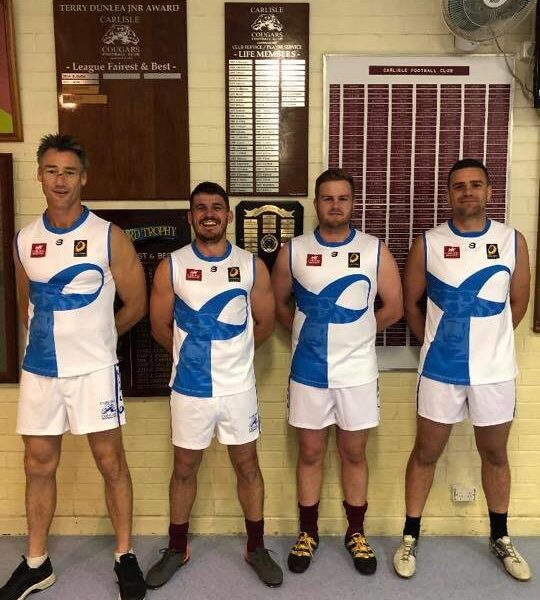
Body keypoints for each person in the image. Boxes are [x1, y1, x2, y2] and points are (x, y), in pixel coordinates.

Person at [0, 134, 147, 600]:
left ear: (83, 177)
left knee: (111, 462)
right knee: (37, 464)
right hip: (41, 372)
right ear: (39, 175)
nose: (60, 180)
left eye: (69, 172)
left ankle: (124, 556)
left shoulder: (108, 235)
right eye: (51, 171)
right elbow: (28, 305)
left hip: (94, 372)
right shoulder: (25, 240)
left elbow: (137, 304)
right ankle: (36, 563)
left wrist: (98, 340)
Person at [393, 158, 531, 581]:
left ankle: (500, 536)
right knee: (425, 453)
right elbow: (411, 304)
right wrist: (437, 343)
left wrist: (490, 343)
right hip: (440, 371)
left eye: (475, 184)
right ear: (449, 194)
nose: (467, 191)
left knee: (495, 454)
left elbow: (518, 303)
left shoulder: (512, 241)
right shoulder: (429, 243)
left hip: (494, 373)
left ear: (489, 191)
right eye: (459, 186)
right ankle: (410, 536)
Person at [145, 181, 282, 589]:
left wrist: (233, 356)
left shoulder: (251, 265)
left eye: (217, 207)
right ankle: (177, 548)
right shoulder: (172, 266)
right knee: (184, 469)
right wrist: (194, 356)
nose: (209, 214)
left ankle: (256, 547)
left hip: (238, 389)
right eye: (201, 208)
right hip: (190, 389)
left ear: (228, 215)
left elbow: (264, 324)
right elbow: (159, 327)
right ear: (190, 217)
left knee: (248, 466)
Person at [271, 168, 403, 575]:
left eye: (342, 198)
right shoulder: (294, 251)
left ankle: (356, 533)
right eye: (327, 198)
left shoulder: (374, 249)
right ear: (316, 203)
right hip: (308, 372)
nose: (335, 205)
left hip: (357, 374)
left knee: (353, 454)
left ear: (353, 203)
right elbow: (277, 304)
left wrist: (359, 332)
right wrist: (305, 332)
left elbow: (395, 306)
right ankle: (307, 532)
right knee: (310, 453)